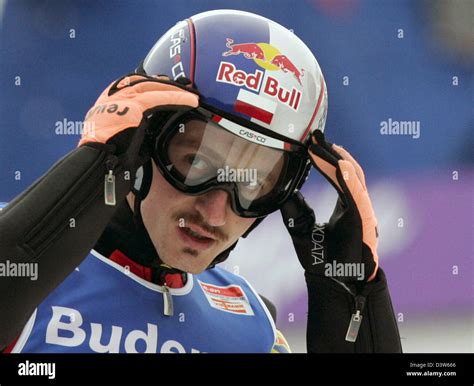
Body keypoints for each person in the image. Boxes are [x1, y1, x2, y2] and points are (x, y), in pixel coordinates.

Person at [0, 10, 401, 353]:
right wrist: (90, 171)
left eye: (253, 184)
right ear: (141, 146)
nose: (214, 212)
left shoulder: (251, 327)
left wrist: (352, 301)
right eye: (196, 164)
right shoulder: (22, 265)